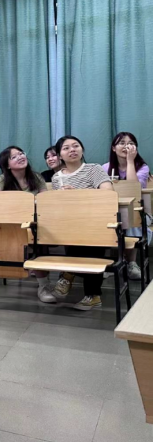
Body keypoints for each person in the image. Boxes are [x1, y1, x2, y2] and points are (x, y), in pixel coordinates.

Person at [48, 136, 114, 311]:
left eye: (76, 146)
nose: (72, 150)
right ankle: (82, 286)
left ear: (82, 150)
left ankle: (72, 277)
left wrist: (78, 194)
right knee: (71, 234)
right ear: (60, 155)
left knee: (91, 247)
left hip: (96, 221)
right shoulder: (57, 178)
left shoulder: (94, 169)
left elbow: (108, 194)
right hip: (70, 224)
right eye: (66, 148)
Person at [0, 146, 52, 302]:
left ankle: (44, 285)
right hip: (13, 222)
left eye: (21, 154)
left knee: (40, 239)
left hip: (35, 222)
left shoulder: (36, 177)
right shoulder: (2, 179)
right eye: (14, 157)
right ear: (7, 165)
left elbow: (46, 201)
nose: (20, 157)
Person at [101, 132, 150, 280]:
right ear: (113, 148)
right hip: (111, 210)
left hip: (138, 211)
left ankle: (131, 263)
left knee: (129, 217)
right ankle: (113, 261)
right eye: (122, 143)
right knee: (110, 219)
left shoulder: (142, 167)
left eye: (130, 143)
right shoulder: (105, 168)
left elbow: (133, 189)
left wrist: (130, 162)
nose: (126, 146)